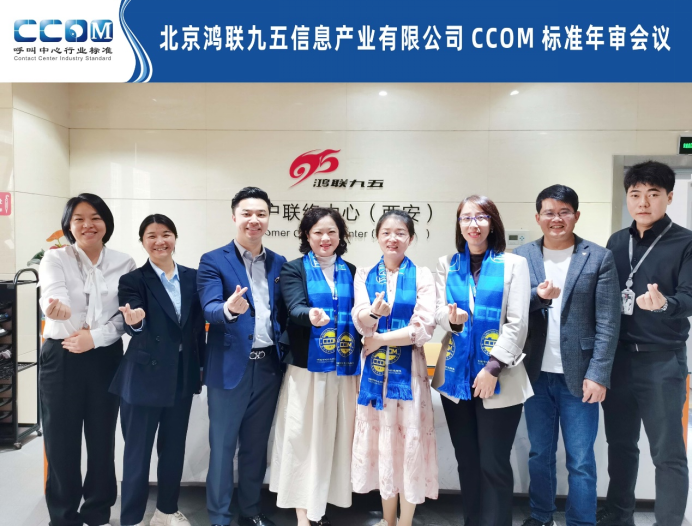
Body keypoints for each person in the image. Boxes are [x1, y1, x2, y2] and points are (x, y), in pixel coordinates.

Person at [514, 185, 620, 526]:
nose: (556, 219)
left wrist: (599, 373)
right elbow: (511, 310)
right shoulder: (521, 257)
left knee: (581, 460)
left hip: (581, 376)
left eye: (564, 212)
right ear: (538, 217)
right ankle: (540, 515)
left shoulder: (598, 257)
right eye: (549, 212)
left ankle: (581, 521)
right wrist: (538, 296)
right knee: (539, 453)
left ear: (576, 215)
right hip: (534, 374)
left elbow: (608, 321)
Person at [598, 161, 692, 526]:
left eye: (653, 194)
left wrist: (665, 304)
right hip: (619, 361)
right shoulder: (616, 242)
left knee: (668, 454)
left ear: (669, 197)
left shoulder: (685, 242)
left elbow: (689, 296)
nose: (643, 202)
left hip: (662, 361)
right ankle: (618, 516)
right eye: (635, 194)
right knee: (620, 445)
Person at [432, 194, 532, 526]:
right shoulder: (447, 264)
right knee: (468, 461)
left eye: (480, 217)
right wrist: (452, 320)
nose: (473, 224)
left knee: (493, 462)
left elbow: (517, 323)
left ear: (492, 222)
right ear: (459, 225)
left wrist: (492, 368)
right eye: (466, 218)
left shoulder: (513, 264)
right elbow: (438, 313)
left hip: (499, 377)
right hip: (456, 376)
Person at [38, 193, 136, 526]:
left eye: (95, 217)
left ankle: (97, 511)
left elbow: (124, 316)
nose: (87, 225)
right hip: (61, 355)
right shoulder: (55, 258)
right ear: (68, 225)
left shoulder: (124, 263)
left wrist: (93, 338)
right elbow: (53, 294)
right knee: (60, 440)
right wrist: (58, 310)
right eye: (78, 218)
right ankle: (63, 516)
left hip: (105, 356)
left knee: (101, 437)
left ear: (106, 222)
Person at [197, 187, 287, 526]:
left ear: (268, 218)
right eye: (247, 213)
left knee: (256, 445)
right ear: (234, 217)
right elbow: (209, 308)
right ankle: (220, 516)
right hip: (229, 367)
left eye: (261, 214)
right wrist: (229, 309)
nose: (254, 220)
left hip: (268, 367)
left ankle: (250, 511)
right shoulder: (213, 260)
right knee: (222, 446)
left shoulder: (279, 263)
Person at [110, 214, 206, 526]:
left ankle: (166, 511)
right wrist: (135, 322)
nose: (159, 241)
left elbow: (197, 330)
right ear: (142, 242)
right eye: (151, 236)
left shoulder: (193, 277)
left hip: (181, 375)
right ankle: (132, 519)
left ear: (175, 238)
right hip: (143, 379)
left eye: (165, 234)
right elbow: (131, 318)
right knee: (137, 454)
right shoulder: (133, 280)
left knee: (173, 449)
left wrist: (200, 368)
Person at [270, 207, 361, 526]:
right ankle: (302, 514)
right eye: (318, 232)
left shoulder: (351, 270)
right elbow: (295, 307)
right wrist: (311, 315)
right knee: (303, 438)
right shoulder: (293, 269)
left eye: (332, 232)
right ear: (307, 236)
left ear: (341, 236)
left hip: (343, 368)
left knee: (335, 438)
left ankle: (320, 506)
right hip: (307, 369)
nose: (325, 238)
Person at [351, 210, 438, 526]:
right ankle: (388, 520)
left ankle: (405, 522)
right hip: (376, 375)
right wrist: (373, 314)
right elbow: (360, 319)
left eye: (400, 233)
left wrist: (379, 339)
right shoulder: (364, 274)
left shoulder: (423, 275)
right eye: (386, 232)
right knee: (385, 444)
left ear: (410, 238)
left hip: (410, 371)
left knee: (408, 441)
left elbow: (423, 327)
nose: (393, 238)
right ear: (377, 237)